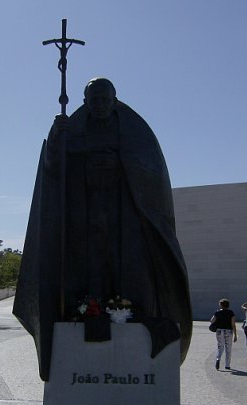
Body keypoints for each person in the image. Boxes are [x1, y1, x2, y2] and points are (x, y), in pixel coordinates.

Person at [14, 77, 192, 381]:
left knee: (131, 270)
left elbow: (151, 174)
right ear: (85, 102)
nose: (99, 105)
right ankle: (91, 314)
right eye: (93, 100)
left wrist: (119, 165)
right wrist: (56, 138)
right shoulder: (73, 131)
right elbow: (53, 169)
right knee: (89, 268)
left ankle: (133, 315)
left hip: (126, 217)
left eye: (104, 100)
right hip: (85, 217)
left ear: (114, 100)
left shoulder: (135, 134)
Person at [210, 299, 237, 370]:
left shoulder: (217, 312)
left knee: (220, 346)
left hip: (219, 331)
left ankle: (218, 358)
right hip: (228, 331)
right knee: (228, 348)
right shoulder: (231, 313)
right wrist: (235, 335)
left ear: (221, 305)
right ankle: (227, 365)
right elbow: (233, 324)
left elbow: (211, 321)